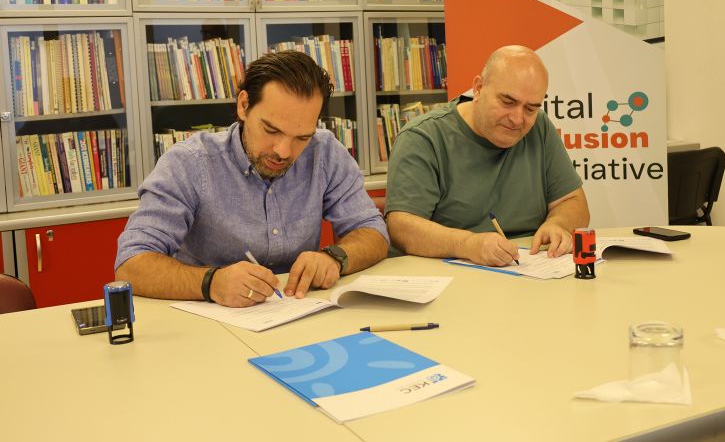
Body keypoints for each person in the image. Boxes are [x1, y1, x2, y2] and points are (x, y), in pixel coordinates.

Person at [115, 51, 388, 307]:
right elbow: (131, 264)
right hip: (208, 320)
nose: (283, 151)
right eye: (271, 130)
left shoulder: (325, 152)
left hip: (298, 312)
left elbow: (373, 231)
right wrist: (211, 282)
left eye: (302, 137)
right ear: (244, 106)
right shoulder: (190, 163)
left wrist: (334, 258)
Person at [385, 45, 589, 266]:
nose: (517, 119)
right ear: (478, 88)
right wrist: (467, 244)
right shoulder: (424, 137)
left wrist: (558, 224)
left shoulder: (540, 127)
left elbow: (573, 201)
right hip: (449, 272)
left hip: (531, 270)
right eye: (508, 102)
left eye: (530, 109)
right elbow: (401, 227)